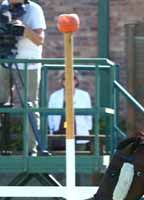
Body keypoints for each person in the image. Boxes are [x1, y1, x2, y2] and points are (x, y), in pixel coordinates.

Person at [0, 0, 46, 155]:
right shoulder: (2, 7)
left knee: (29, 104)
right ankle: (3, 147)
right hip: (4, 60)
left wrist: (23, 29)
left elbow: (40, 40)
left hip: (28, 63)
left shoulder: (34, 9)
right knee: (1, 101)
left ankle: (29, 151)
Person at [47, 72, 92, 141]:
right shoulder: (54, 96)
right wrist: (52, 128)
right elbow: (50, 115)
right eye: (65, 79)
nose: (68, 81)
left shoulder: (84, 95)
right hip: (59, 133)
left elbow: (88, 115)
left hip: (80, 133)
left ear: (76, 81)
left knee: (79, 150)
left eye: (72, 79)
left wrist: (87, 128)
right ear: (62, 82)